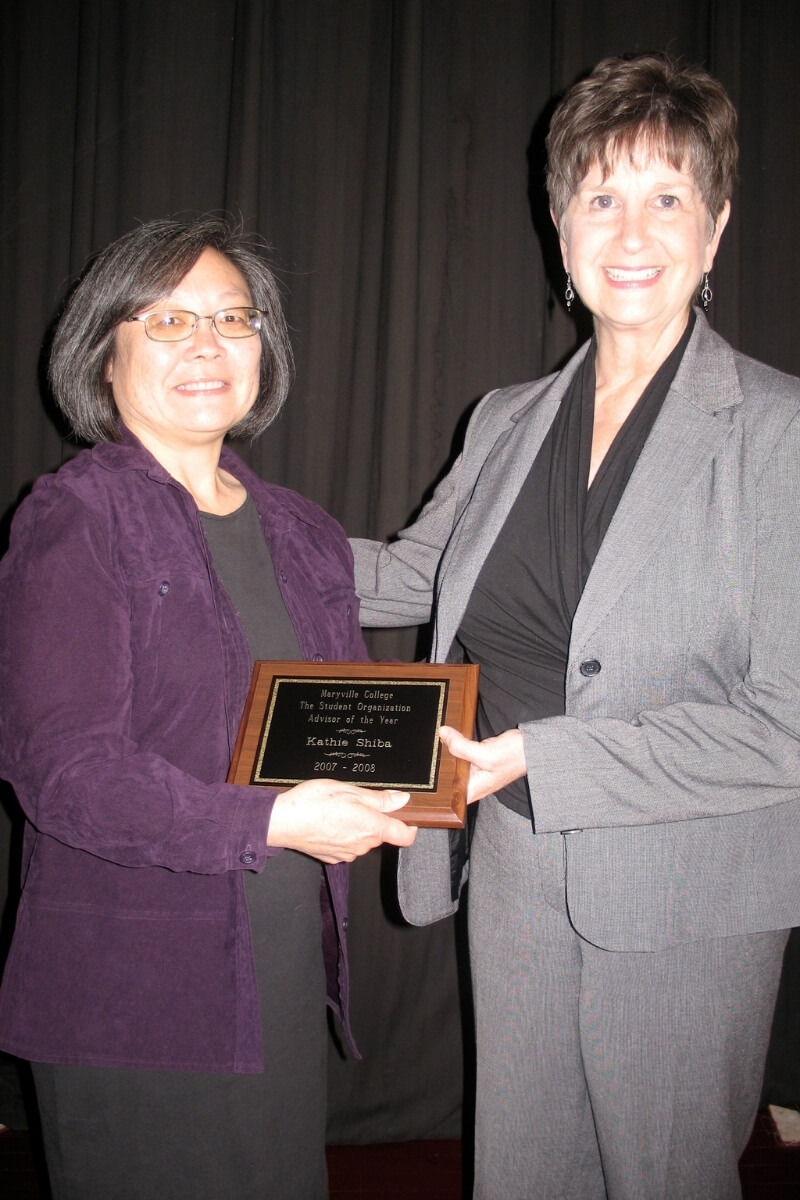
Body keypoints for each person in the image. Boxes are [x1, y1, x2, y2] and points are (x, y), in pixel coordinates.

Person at [352, 53, 800, 1200]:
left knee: (662, 1176)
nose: (631, 229)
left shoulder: (776, 430)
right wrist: (215, 519)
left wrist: (542, 757)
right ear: (559, 229)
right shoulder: (506, 419)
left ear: (714, 230)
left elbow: (786, 728)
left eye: (667, 196)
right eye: (599, 197)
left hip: (682, 886)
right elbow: (405, 575)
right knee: (522, 1171)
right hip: (508, 861)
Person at [0, 216, 416, 1200]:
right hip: (136, 993)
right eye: (169, 318)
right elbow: (66, 771)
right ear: (104, 350)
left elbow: (347, 717)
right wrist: (275, 816)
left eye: (234, 318)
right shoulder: (77, 516)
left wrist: (412, 774)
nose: (207, 343)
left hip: (271, 961)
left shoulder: (301, 531)